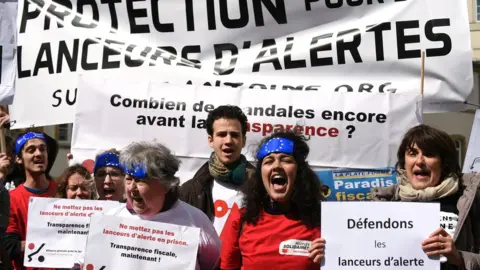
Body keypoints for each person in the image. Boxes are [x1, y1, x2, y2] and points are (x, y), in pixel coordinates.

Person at [372, 125, 480, 270]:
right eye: (412, 153)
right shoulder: (383, 203)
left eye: (429, 154)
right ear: (404, 161)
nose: (419, 161)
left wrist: (459, 257)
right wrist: (333, 250)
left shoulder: (469, 200)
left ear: (444, 163)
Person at [99, 141, 220, 270]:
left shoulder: (195, 220)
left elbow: (213, 264)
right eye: (129, 179)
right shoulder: (111, 218)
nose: (132, 187)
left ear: (165, 184)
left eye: (141, 180)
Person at [220, 131, 325, 269]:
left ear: (300, 171)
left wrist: (331, 257)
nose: (276, 166)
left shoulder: (322, 218)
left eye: (285, 160)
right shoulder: (242, 215)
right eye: (268, 161)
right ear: (260, 174)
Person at [180, 105, 255, 233]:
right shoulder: (189, 191)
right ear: (211, 140)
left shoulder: (261, 187)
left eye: (235, 135)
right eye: (222, 134)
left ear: (243, 141)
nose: (228, 141)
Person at [3, 132, 58, 270]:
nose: (38, 153)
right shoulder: (11, 198)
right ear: (19, 159)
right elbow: (10, 246)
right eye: (31, 150)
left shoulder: (62, 192)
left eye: (42, 149)